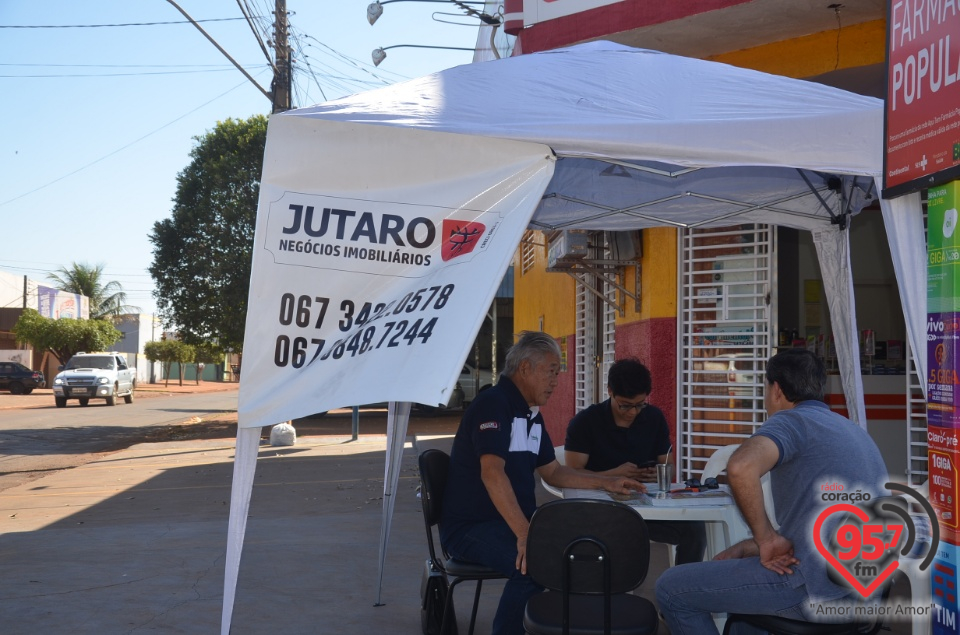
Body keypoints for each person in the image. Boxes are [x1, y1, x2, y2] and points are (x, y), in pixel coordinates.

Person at [655, 348, 889, 634]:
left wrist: (765, 539)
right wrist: (749, 546)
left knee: (671, 588)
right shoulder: (849, 430)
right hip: (865, 594)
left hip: (814, 590)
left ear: (776, 389)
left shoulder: (791, 421)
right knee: (743, 623)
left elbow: (740, 468)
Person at [440, 331, 645, 635]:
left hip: (510, 524)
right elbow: (492, 473)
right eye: (551, 372)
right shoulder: (493, 405)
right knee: (537, 565)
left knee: (575, 551)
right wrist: (525, 535)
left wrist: (607, 482)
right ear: (525, 368)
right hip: (471, 528)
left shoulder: (531, 414)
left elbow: (553, 472)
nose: (555, 382)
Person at [564, 358, 707, 565]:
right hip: (602, 510)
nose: (632, 412)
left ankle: (682, 589)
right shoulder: (586, 422)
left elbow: (667, 465)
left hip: (647, 507)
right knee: (624, 540)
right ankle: (617, 588)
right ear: (610, 391)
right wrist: (615, 475)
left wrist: (657, 474)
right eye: (625, 406)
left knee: (694, 529)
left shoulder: (654, 418)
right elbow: (572, 475)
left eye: (639, 405)